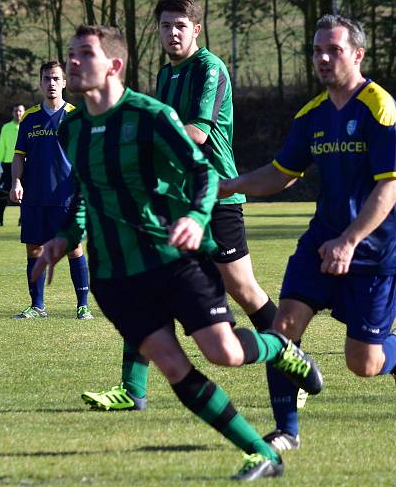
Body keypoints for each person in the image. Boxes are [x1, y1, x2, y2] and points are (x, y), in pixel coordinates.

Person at [32, 24, 323, 480]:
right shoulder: (71, 129)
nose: (71, 62)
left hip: (173, 261)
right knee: (172, 366)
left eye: (84, 54)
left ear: (114, 65)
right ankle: (260, 452)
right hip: (116, 276)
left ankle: (280, 349)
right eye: (69, 54)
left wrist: (194, 217)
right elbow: (87, 197)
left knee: (223, 352)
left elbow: (204, 175)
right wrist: (63, 239)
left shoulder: (151, 117)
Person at [220, 14, 396, 453]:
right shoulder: (311, 115)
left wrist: (350, 241)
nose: (323, 58)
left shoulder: (379, 108)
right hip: (322, 240)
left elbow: (391, 185)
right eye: (316, 51)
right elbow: (280, 174)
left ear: (358, 55)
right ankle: (287, 430)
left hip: (376, 249)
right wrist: (229, 186)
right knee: (282, 329)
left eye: (333, 50)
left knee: (363, 363)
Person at [81, 0, 284, 414]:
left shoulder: (210, 69)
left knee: (244, 290)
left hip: (215, 193)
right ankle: (132, 389)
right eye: (165, 25)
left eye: (180, 25)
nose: (171, 33)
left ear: (196, 29)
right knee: (142, 280)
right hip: (173, 199)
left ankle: (289, 359)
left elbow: (196, 133)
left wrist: (139, 151)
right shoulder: (165, 74)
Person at [9, 61, 91, 320]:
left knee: (73, 248)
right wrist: (16, 182)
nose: (51, 83)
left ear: (65, 83)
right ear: (40, 82)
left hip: (66, 196)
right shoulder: (30, 117)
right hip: (34, 195)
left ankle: (83, 306)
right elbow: (19, 156)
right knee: (33, 249)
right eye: (47, 79)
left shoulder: (76, 116)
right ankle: (37, 306)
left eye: (56, 79)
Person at [0, 103, 25, 227]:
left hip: (24, 163)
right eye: (16, 111)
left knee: (24, 193)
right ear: (12, 112)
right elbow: (2, 146)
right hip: (7, 164)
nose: (18, 113)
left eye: (20, 111)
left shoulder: (28, 126)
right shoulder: (6, 127)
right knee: (1, 192)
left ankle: (23, 219)